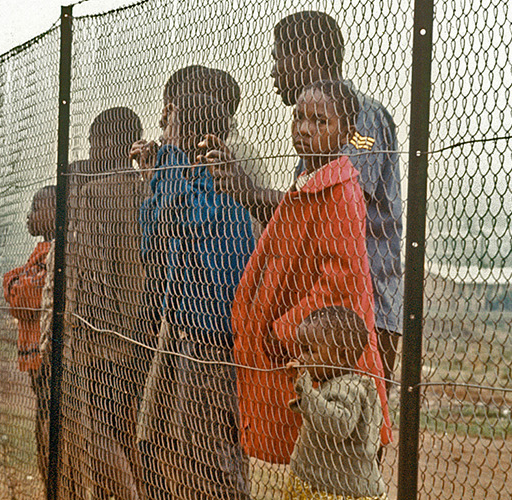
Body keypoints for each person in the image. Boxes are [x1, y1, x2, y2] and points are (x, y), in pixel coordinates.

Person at [207, 11, 404, 384]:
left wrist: (247, 189)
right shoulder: (316, 127)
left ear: (308, 56)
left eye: (279, 57)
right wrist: (242, 190)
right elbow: (301, 224)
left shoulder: (357, 115)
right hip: (322, 312)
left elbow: (332, 211)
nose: (273, 71)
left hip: (361, 311)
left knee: (351, 430)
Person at [222, 80, 390, 465]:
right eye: (299, 117)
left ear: (347, 133)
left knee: (336, 457)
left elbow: (341, 281)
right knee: (314, 459)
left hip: (332, 352)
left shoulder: (341, 193)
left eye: (319, 121)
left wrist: (285, 330)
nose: (304, 128)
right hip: (314, 347)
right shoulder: (309, 185)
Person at [131, 92, 254, 499]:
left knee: (212, 462)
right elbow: (152, 243)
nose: (161, 126)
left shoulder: (218, 180)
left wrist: (166, 158)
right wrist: (157, 177)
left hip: (214, 344)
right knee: (180, 455)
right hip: (187, 334)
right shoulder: (181, 179)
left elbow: (176, 219)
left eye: (170, 119)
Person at [63, 107, 151, 500]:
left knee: (97, 426)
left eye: (94, 142)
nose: (90, 151)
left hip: (99, 336)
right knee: (132, 428)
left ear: (109, 143)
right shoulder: (147, 184)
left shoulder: (92, 194)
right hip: (143, 332)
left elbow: (88, 270)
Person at [283, 307, 386, 500]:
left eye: (309, 351)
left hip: (339, 491)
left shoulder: (348, 388)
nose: (301, 358)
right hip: (322, 485)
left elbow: (338, 425)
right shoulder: (330, 384)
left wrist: (305, 390)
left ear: (343, 355)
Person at [1, 186, 58, 476]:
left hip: (46, 354)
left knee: (49, 428)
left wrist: (13, 284)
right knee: (43, 425)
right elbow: (16, 286)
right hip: (39, 357)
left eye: (37, 208)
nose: (29, 215)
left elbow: (23, 296)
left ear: (55, 212)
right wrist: (15, 283)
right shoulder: (41, 253)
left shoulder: (53, 254)